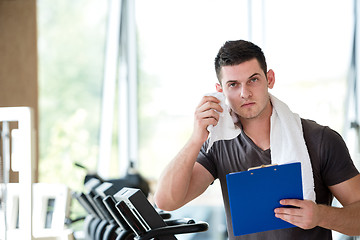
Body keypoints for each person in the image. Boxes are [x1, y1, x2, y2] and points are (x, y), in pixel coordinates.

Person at [153, 40, 360, 239]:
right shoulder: (217, 145)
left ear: (269, 79)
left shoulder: (320, 140)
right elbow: (166, 201)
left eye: (253, 80)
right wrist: (196, 138)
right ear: (220, 90)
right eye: (233, 84)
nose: (245, 93)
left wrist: (320, 215)